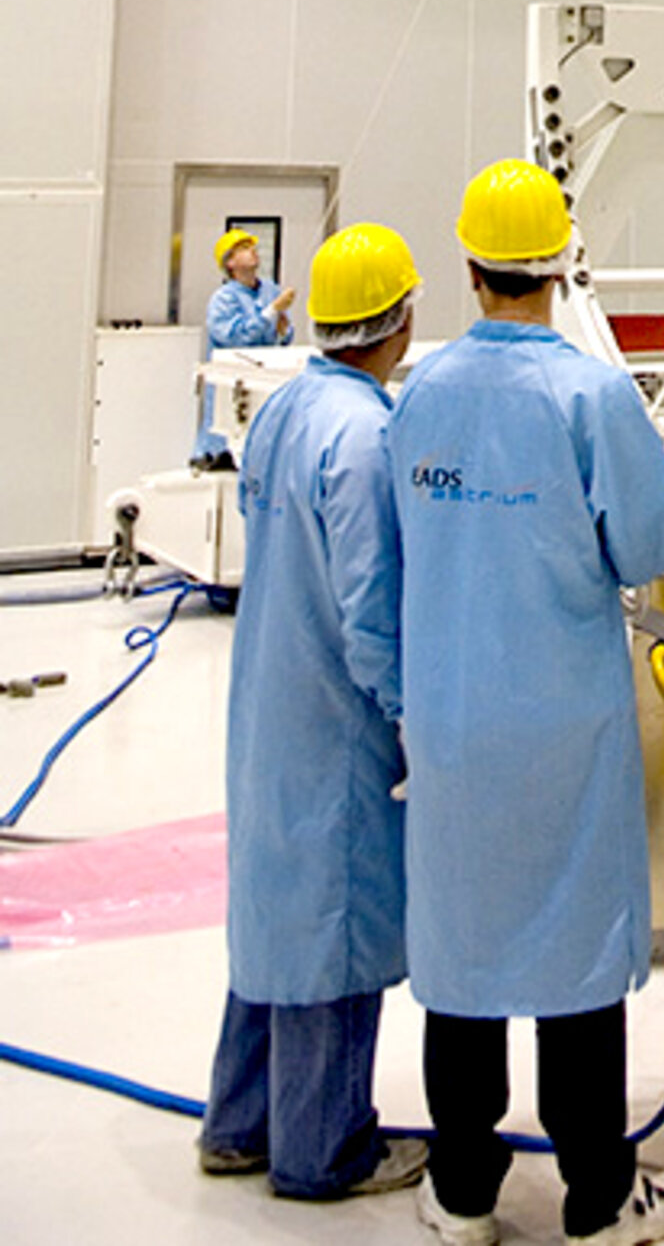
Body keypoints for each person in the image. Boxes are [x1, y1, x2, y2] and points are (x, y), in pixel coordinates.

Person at [388, 159, 664, 1246]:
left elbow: (396, 550)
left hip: (454, 716)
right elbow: (652, 542)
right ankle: (599, 1197)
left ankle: (464, 1188)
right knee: (574, 954)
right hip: (565, 715)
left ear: (468, 264)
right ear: (565, 264)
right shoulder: (593, 393)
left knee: (463, 948)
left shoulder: (418, 391)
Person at [199, 220, 427, 1199]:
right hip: (337, 716)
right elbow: (370, 602)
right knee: (334, 919)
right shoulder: (368, 434)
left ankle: (239, 1118)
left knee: (273, 911)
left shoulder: (288, 409)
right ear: (402, 317)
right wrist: (413, 711)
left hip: (268, 698)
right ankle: (321, 1145)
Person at [194, 227, 297, 465]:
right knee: (228, 449)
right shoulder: (223, 299)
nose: (252, 252)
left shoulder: (270, 290)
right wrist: (271, 312)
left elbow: (282, 338)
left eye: (252, 247)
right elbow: (235, 338)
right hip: (234, 391)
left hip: (266, 384)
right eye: (243, 249)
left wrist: (283, 332)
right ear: (230, 262)